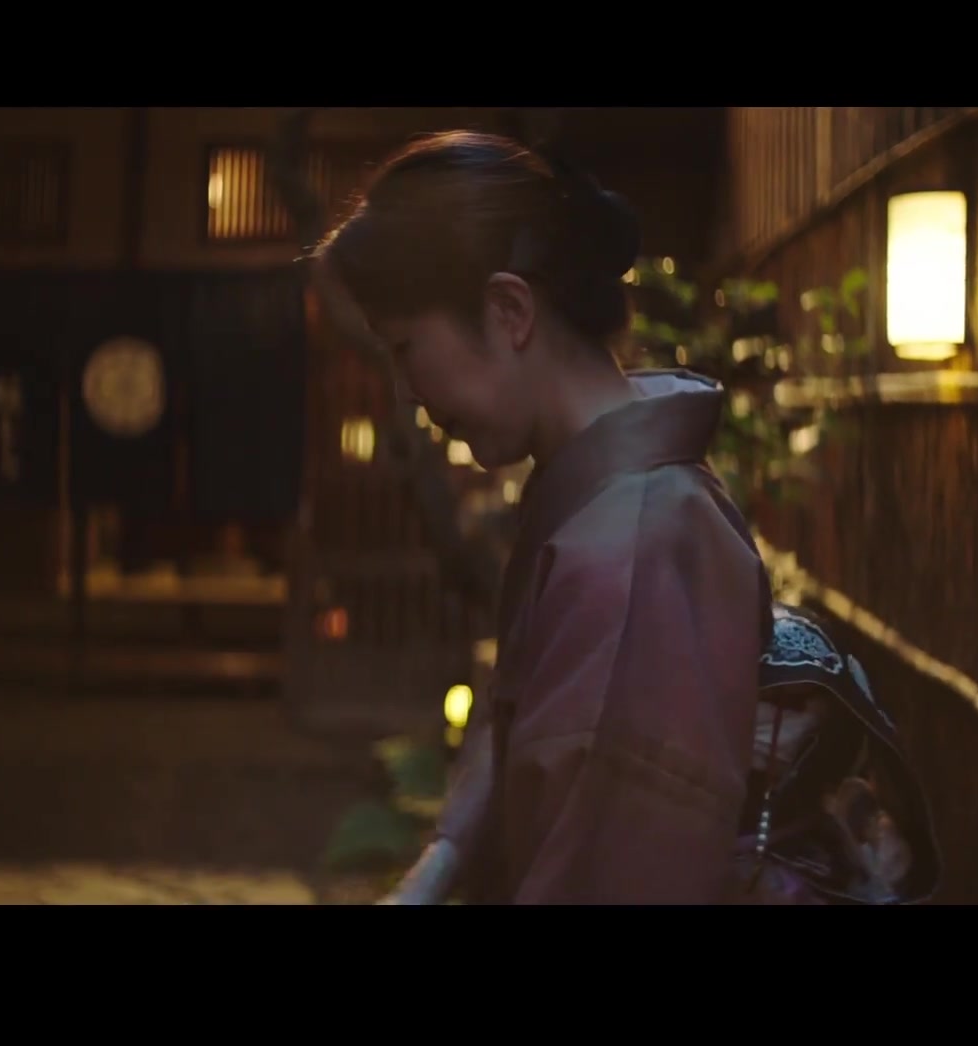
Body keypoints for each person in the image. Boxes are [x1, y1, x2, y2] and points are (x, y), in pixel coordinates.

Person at [311, 131, 775, 904]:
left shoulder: (632, 548)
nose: (408, 391)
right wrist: (444, 860)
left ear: (508, 310)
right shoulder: (610, 508)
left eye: (406, 348)